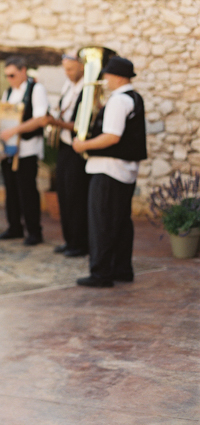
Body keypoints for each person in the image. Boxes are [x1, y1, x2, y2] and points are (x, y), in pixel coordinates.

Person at [73, 56, 146, 288]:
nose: (104, 79)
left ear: (118, 77)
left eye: (107, 75)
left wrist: (83, 145)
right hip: (124, 170)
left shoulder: (118, 100)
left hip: (109, 170)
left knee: (101, 223)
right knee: (121, 222)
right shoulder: (134, 97)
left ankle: (101, 273)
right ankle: (121, 269)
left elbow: (112, 136)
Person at [0, 56, 48, 245]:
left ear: (23, 71)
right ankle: (14, 227)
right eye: (6, 76)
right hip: (8, 149)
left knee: (27, 191)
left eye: (12, 75)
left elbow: (40, 119)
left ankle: (34, 231)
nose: (9, 79)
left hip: (27, 149)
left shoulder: (36, 89)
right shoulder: (8, 92)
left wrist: (15, 130)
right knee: (11, 189)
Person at [45, 52, 89, 257]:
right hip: (63, 146)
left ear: (81, 67)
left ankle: (80, 243)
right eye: (65, 69)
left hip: (76, 148)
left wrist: (56, 122)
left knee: (75, 196)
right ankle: (69, 239)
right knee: (63, 194)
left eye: (70, 69)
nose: (67, 73)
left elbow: (82, 125)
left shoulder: (87, 90)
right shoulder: (68, 87)